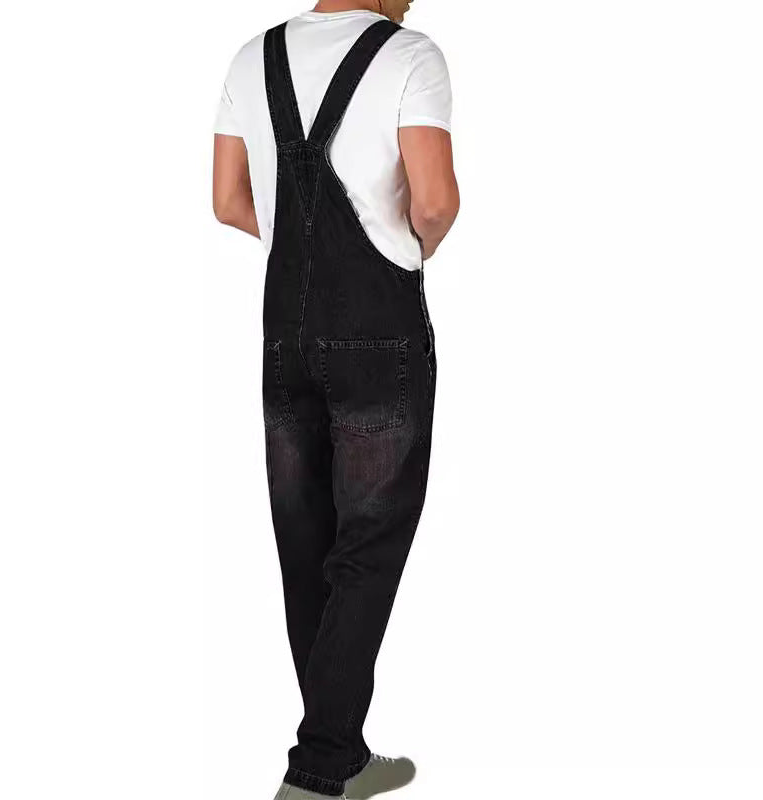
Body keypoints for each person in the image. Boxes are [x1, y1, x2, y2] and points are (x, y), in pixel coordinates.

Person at [212, 2, 459, 798]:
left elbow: (228, 201)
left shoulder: (251, 57)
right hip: (378, 333)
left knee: (307, 546)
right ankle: (317, 770)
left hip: (283, 335)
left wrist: (305, 247)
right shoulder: (412, 55)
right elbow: (434, 202)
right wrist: (403, 249)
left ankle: (342, 754)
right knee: (368, 547)